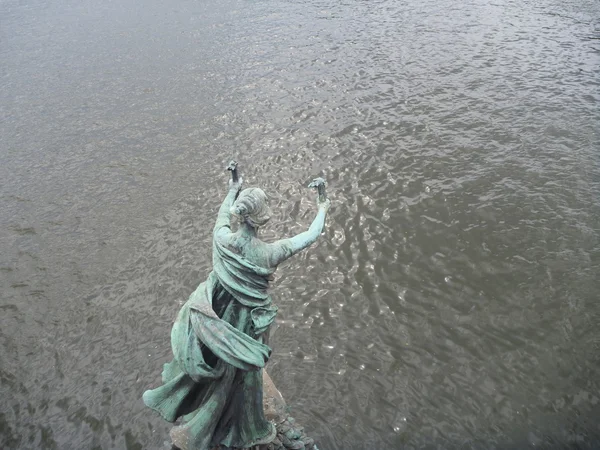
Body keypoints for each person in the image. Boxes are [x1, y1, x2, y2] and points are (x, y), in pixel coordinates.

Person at [142, 174, 331, 450]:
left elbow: (221, 215)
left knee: (220, 368)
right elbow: (309, 236)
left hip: (217, 321)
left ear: (241, 216)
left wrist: (233, 188)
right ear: (261, 219)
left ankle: (209, 415)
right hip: (244, 329)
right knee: (242, 374)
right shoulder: (270, 253)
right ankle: (241, 426)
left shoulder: (222, 240)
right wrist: (323, 205)